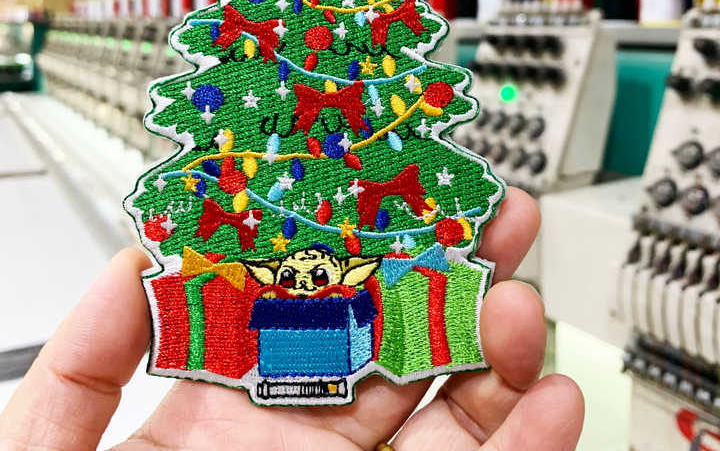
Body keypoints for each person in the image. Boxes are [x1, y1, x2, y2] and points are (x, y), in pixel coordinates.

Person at [0, 188, 584, 450]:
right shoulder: (271, 295)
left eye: (316, 270)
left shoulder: (351, 295)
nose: (305, 275)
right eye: (296, 270)